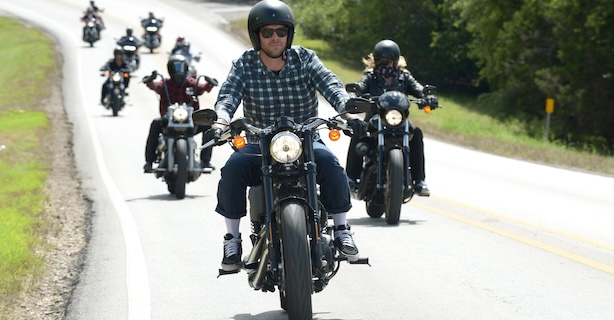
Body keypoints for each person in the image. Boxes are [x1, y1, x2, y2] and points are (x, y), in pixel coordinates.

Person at [208, 0, 364, 271]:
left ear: (289, 34)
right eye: (267, 32)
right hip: (259, 142)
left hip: (305, 140)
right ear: (257, 36)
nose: (275, 37)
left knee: (331, 165)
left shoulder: (306, 59)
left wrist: (348, 114)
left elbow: (331, 85)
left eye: (281, 31)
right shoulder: (245, 64)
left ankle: (341, 230)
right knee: (232, 169)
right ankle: (232, 239)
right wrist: (221, 121)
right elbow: (228, 96)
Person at [345, 39, 438, 196]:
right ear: (375, 61)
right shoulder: (370, 76)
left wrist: (427, 96)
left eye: (389, 61)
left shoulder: (404, 77)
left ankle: (419, 181)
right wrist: (353, 94)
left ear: (395, 62)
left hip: (398, 120)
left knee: (416, 134)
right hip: (375, 119)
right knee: (358, 131)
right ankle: (351, 178)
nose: (385, 65)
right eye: (381, 61)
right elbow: (360, 86)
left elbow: (418, 88)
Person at [141, 55, 218, 172]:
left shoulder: (192, 83)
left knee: (208, 125)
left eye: (181, 68)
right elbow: (155, 86)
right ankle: (149, 161)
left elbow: (203, 88)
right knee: (155, 124)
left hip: (191, 120)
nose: (178, 72)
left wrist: (210, 83)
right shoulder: (165, 84)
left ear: (186, 68)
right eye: (175, 68)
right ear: (170, 70)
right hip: (169, 119)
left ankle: (205, 161)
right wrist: (150, 80)